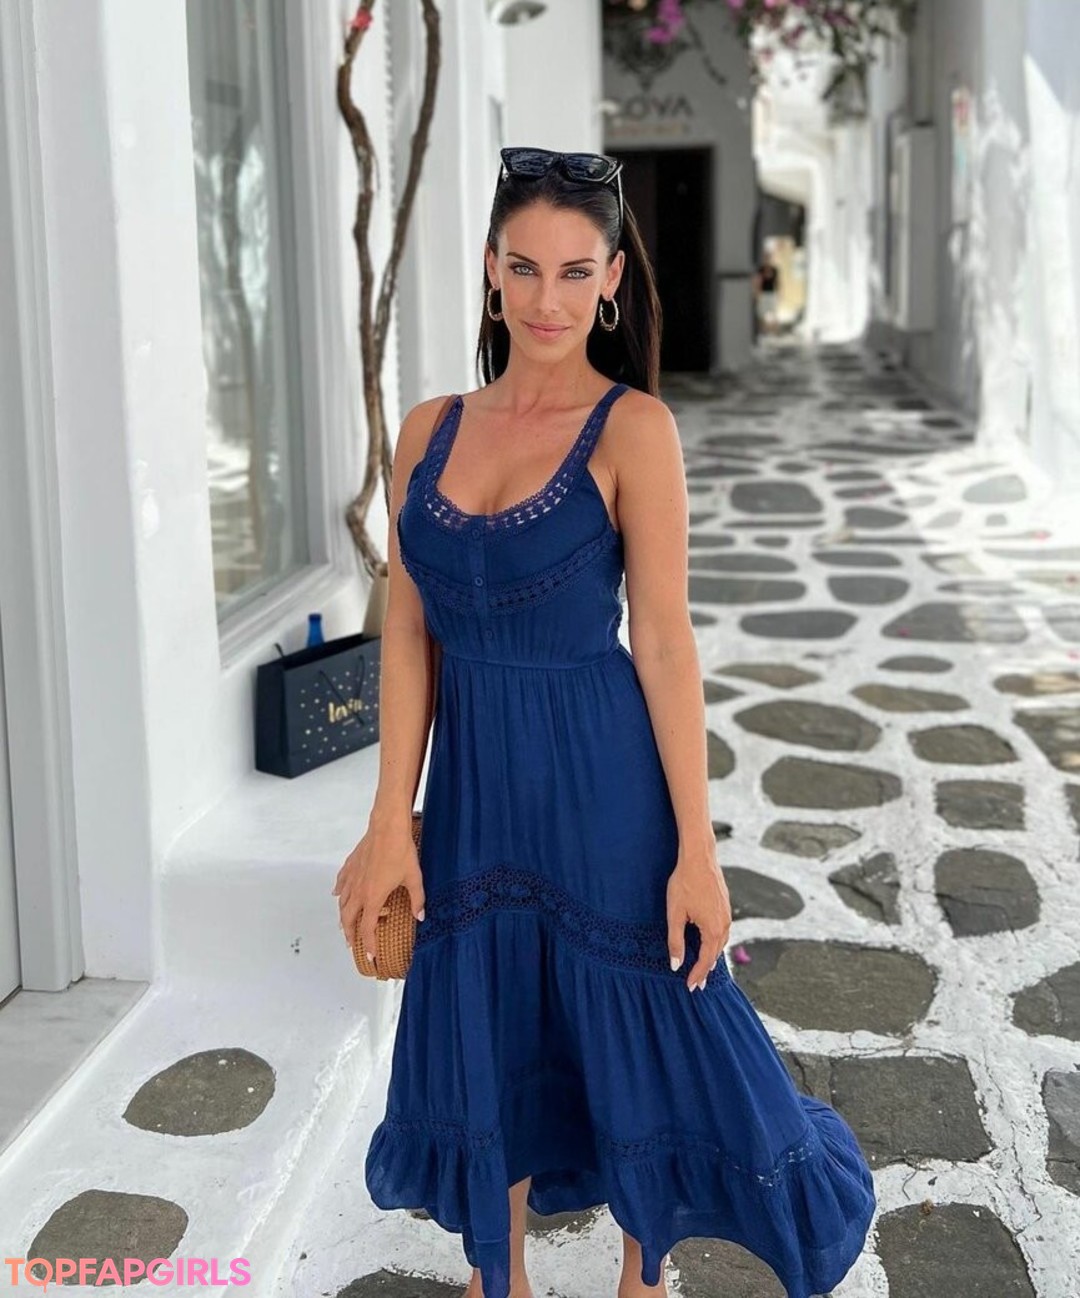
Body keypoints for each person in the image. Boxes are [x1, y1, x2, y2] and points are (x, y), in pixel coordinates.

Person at [332, 147, 876, 1298]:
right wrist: (390, 817)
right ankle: (501, 1274)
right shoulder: (428, 429)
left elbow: (665, 643)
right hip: (476, 786)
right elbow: (409, 633)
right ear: (492, 268)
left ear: (613, 278)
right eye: (525, 267)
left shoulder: (634, 430)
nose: (548, 299)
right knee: (490, 1009)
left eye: (576, 272)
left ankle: (643, 1268)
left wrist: (698, 847)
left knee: (644, 1016)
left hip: (602, 783)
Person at [755, 251, 781, 335]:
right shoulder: (761, 270)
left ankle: (775, 330)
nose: (767, 260)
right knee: (761, 314)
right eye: (766, 258)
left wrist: (779, 293)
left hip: (772, 293)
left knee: (774, 313)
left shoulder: (774, 269)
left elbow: (777, 282)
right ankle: (763, 330)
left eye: (768, 258)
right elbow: (759, 282)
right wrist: (757, 294)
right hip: (763, 293)